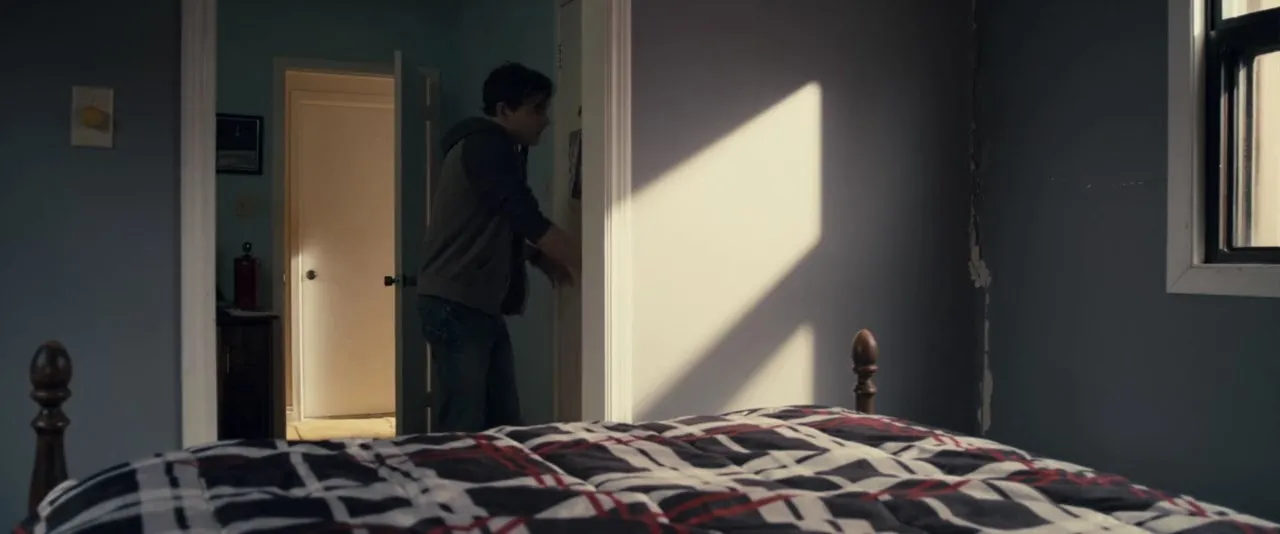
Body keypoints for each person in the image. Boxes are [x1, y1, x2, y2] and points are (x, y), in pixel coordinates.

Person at [416, 62, 580, 433]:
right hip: (456, 305)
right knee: (466, 424)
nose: (546, 120)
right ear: (505, 110)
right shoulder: (486, 147)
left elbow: (495, 225)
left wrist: (538, 258)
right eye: (537, 109)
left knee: (502, 422)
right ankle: (455, 472)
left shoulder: (494, 147)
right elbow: (526, 218)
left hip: (474, 304)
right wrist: (603, 263)